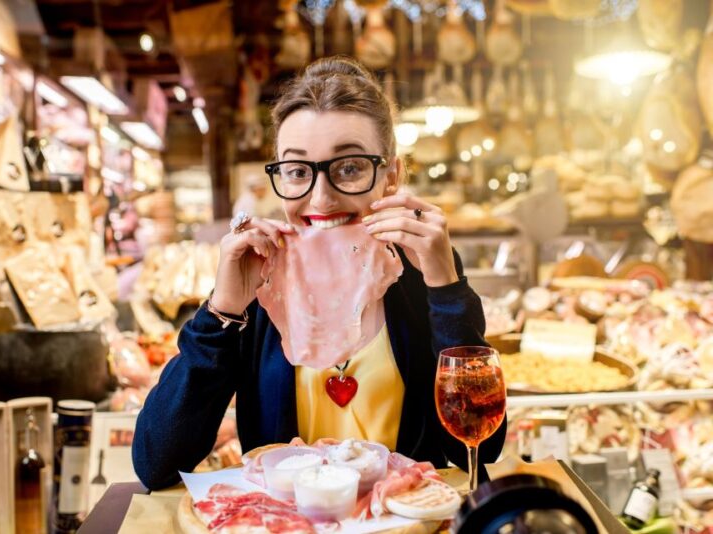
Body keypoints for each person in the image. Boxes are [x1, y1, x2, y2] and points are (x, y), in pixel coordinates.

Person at [133, 56, 506, 490]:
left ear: (392, 176)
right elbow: (155, 461)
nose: (321, 198)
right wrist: (223, 309)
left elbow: (479, 447)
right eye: (297, 171)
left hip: (403, 519)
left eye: (349, 168)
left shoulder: (420, 269)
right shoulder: (261, 282)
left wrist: (446, 288)